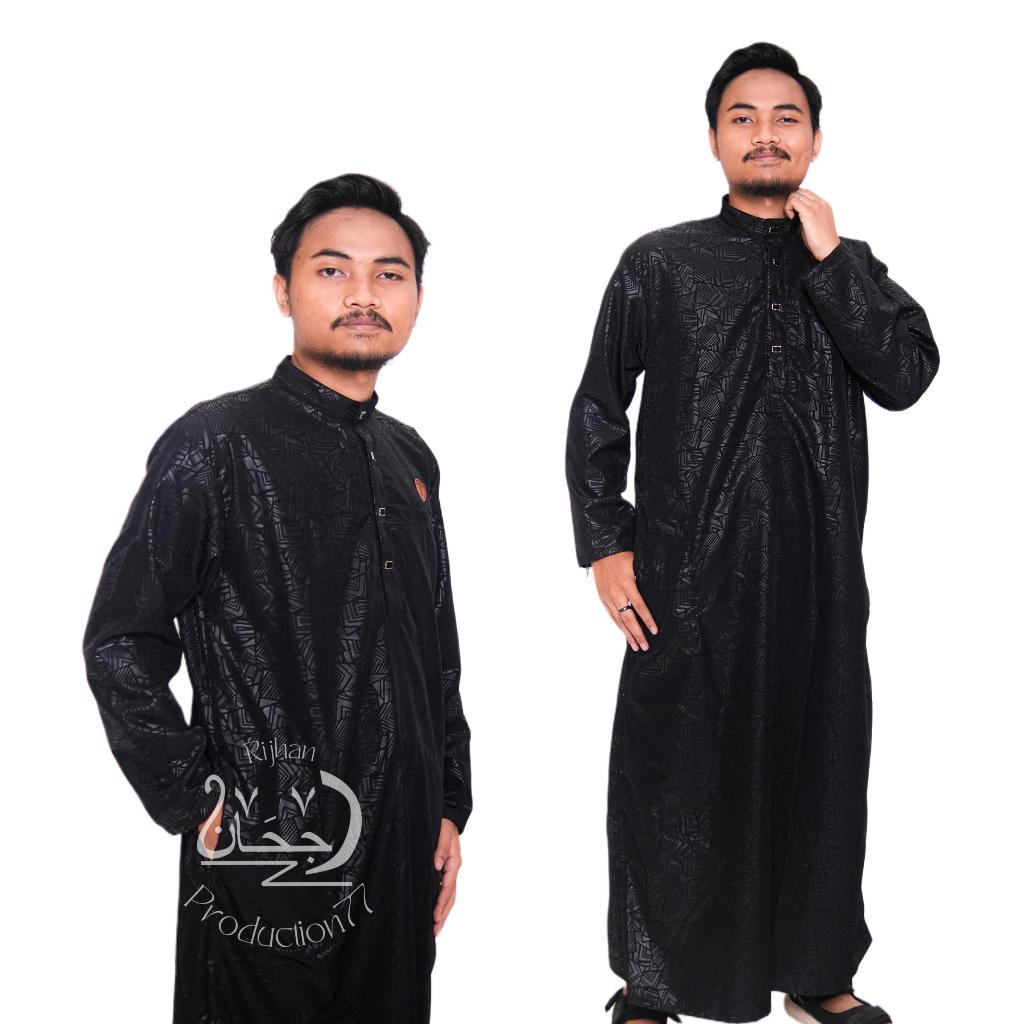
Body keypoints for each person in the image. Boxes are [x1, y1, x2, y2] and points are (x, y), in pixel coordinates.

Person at [565, 42, 938, 1024]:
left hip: (819, 580)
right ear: (713, 139)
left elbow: (905, 375)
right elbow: (599, 403)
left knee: (821, 770)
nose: (765, 133)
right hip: (686, 578)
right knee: (675, 775)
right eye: (743, 117)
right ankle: (653, 984)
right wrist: (605, 542)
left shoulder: (847, 265)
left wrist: (833, 261)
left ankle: (817, 974)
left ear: (813, 139)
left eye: (785, 118)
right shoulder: (660, 262)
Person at [82, 172, 472, 1023]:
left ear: (416, 296)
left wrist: (447, 805)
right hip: (272, 840)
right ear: (283, 291)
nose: (363, 295)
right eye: (332, 270)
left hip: (400, 838)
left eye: (390, 274)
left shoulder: (409, 457)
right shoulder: (216, 442)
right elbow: (121, 640)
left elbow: (434, 651)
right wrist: (196, 797)